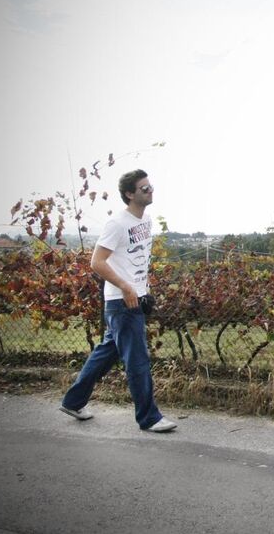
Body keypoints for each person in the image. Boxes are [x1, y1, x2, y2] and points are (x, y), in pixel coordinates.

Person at [60, 169, 177, 432]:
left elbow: (135, 259)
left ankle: (73, 401)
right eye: (144, 188)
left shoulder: (145, 220)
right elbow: (97, 262)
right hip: (122, 302)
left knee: (106, 353)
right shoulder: (117, 223)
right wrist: (126, 287)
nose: (150, 191)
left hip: (135, 298)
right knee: (137, 360)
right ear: (129, 194)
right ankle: (149, 418)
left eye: (150, 186)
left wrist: (143, 289)